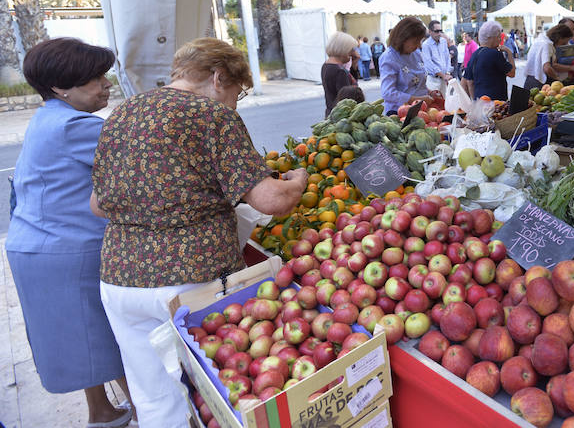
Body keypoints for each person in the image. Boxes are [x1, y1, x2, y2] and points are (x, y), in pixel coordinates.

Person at [91, 38, 309, 428]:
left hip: (120, 280)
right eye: (237, 92)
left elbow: (97, 205)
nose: (235, 103)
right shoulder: (211, 116)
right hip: (188, 280)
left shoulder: (121, 115)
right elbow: (271, 200)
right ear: (218, 77)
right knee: (218, 392)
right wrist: (299, 181)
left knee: (155, 397)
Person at [6, 38, 134, 428]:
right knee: (111, 338)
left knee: (83, 338)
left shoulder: (48, 116)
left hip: (36, 246)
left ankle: (102, 412)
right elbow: (145, 164)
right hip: (65, 251)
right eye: (94, 79)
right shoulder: (75, 126)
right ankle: (153, 411)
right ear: (63, 88)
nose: (105, 84)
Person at [379, 17, 440, 115]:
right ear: (403, 39)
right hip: (399, 112)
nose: (418, 45)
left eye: (420, 41)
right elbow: (388, 93)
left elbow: (416, 83)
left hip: (420, 109)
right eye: (415, 42)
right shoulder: (389, 58)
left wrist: (429, 92)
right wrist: (416, 99)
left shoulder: (416, 53)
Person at [462, 20, 515, 100]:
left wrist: (473, 103)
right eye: (498, 36)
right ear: (490, 38)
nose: (500, 39)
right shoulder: (495, 54)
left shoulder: (475, 54)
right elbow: (512, 73)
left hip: (480, 103)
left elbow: (466, 81)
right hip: (495, 104)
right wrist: (509, 53)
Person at [524, 22, 574, 87]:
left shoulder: (540, 40)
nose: (565, 44)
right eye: (564, 42)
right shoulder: (546, 44)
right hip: (538, 83)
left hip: (530, 80)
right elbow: (547, 68)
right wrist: (558, 79)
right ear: (559, 38)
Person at [321, 32, 360, 117]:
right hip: (341, 118)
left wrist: (354, 65)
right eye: (351, 50)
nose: (353, 53)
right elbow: (349, 99)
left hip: (331, 114)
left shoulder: (326, 65)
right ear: (343, 49)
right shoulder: (340, 71)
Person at [422, 19, 452, 95]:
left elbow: (447, 58)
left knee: (445, 103)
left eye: (440, 31)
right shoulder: (426, 45)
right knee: (433, 104)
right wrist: (443, 75)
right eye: (436, 31)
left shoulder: (443, 41)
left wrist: (447, 73)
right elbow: (429, 63)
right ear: (430, 31)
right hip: (433, 80)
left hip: (444, 79)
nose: (439, 33)